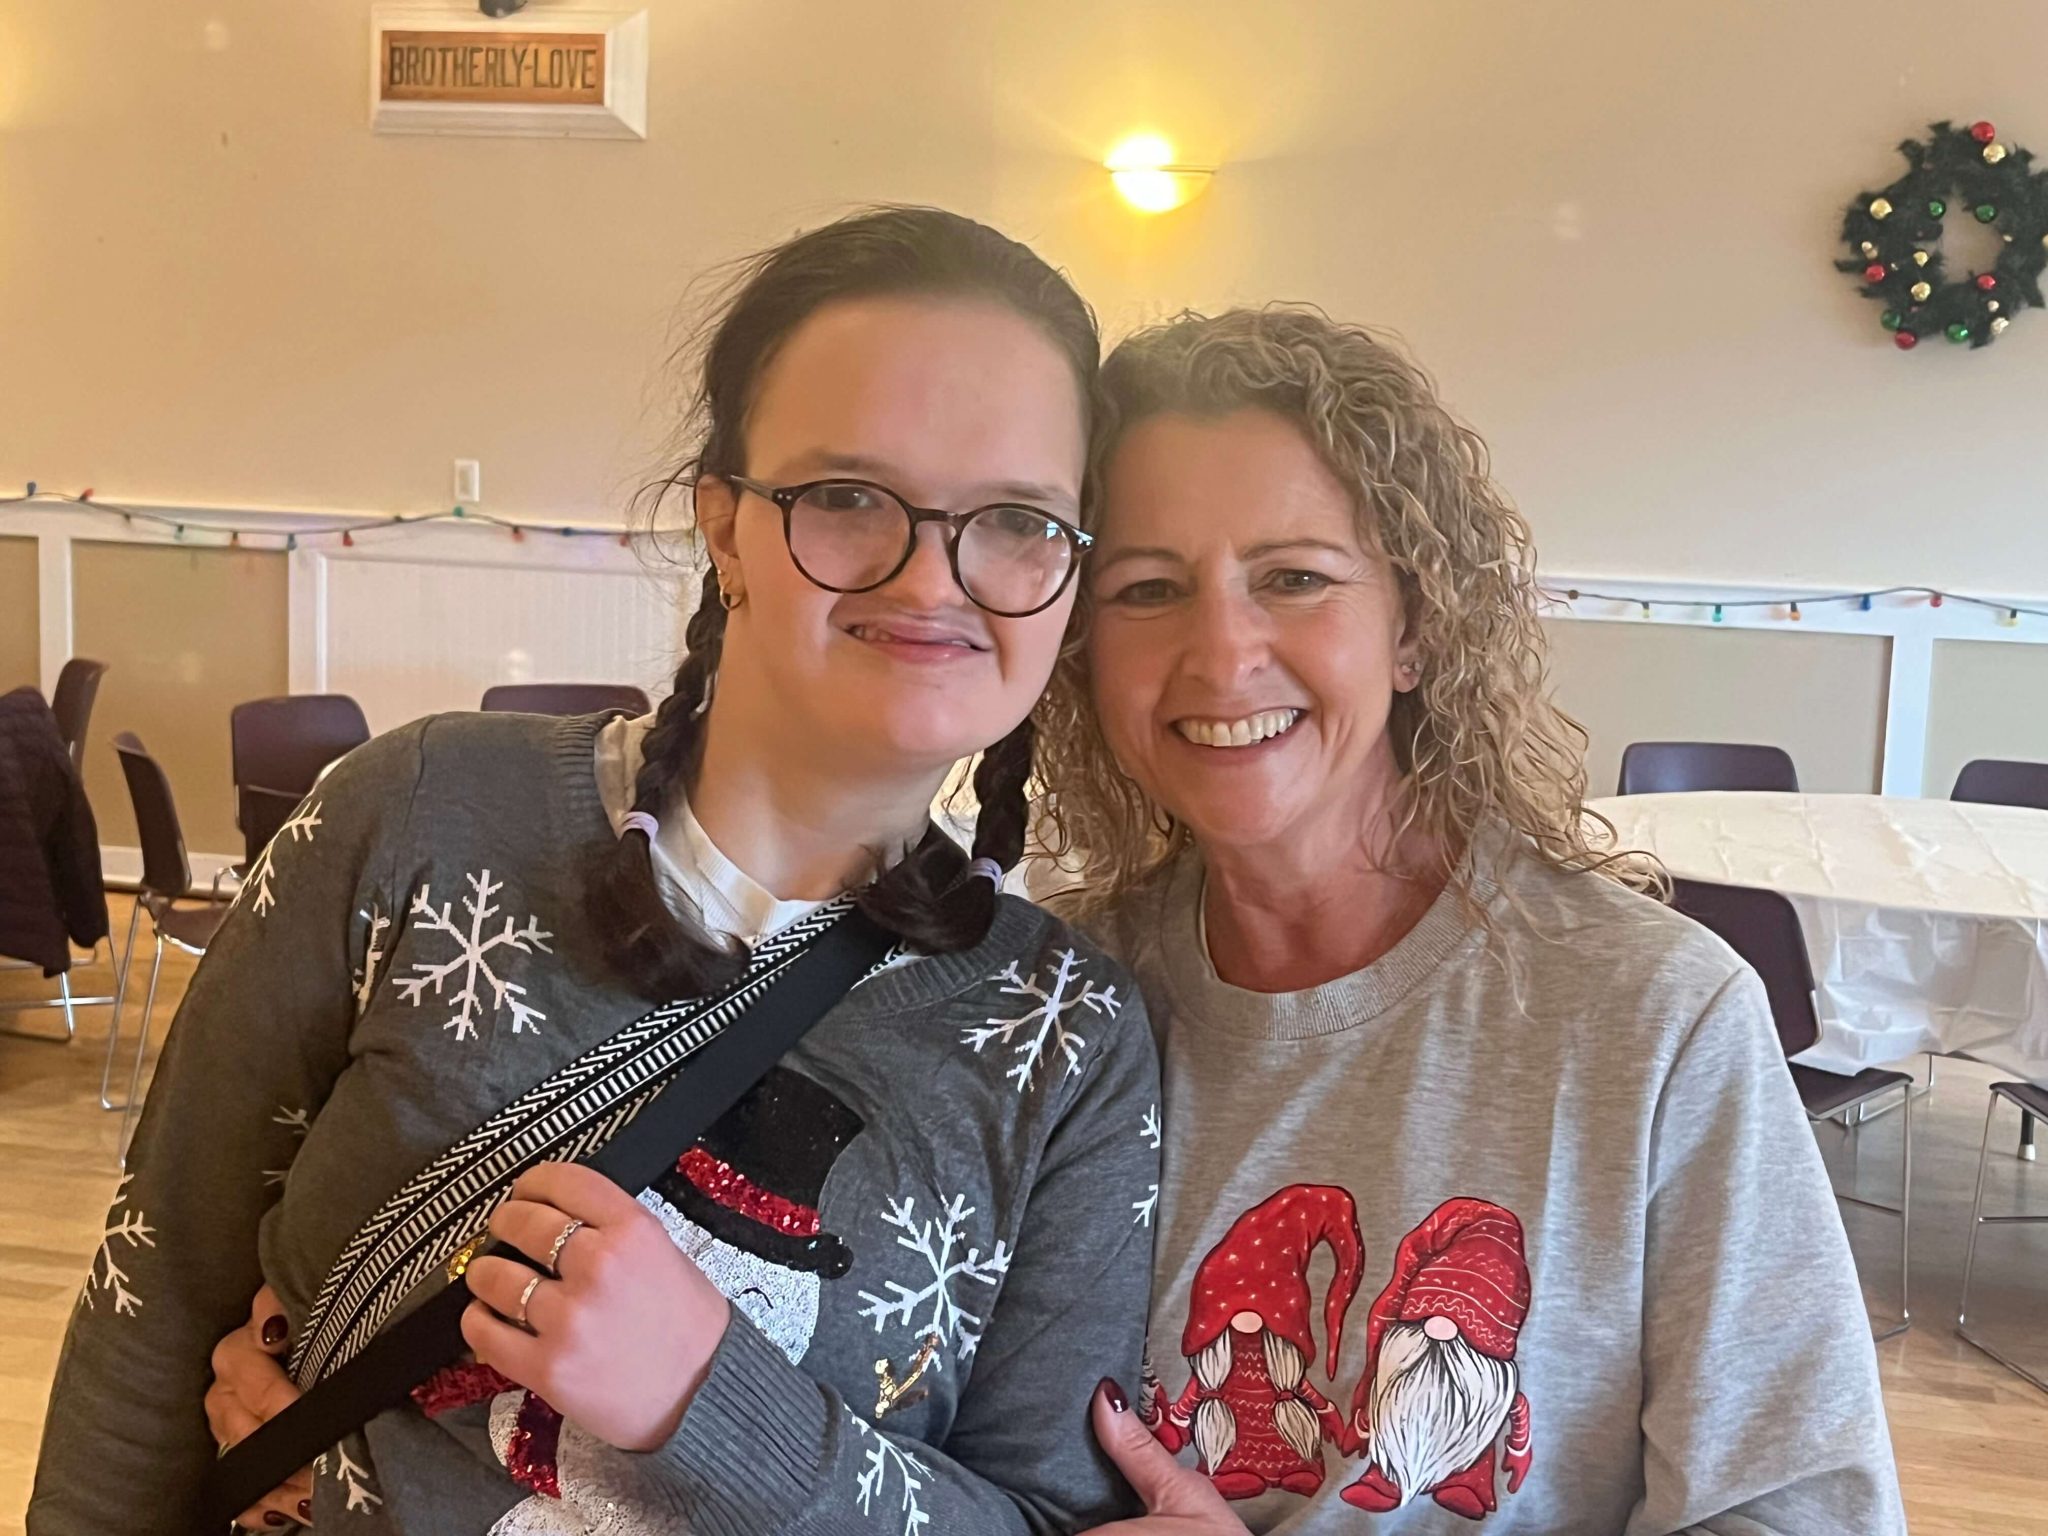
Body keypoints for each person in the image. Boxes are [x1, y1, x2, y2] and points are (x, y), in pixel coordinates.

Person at [29, 207, 1159, 1534]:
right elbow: (157, 1291)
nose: (933, 575)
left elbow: (1046, 1519)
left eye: (1019, 520)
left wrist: (710, 1402)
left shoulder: (1066, 1042)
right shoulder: (424, 812)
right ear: (725, 526)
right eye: (848, 497)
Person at [1038, 308, 1907, 1533]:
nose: (1221, 653)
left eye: (1294, 577)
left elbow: (1798, 1513)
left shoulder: (1651, 1018)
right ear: (1078, 649)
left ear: (1412, 627)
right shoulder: (1043, 1007)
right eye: (1146, 589)